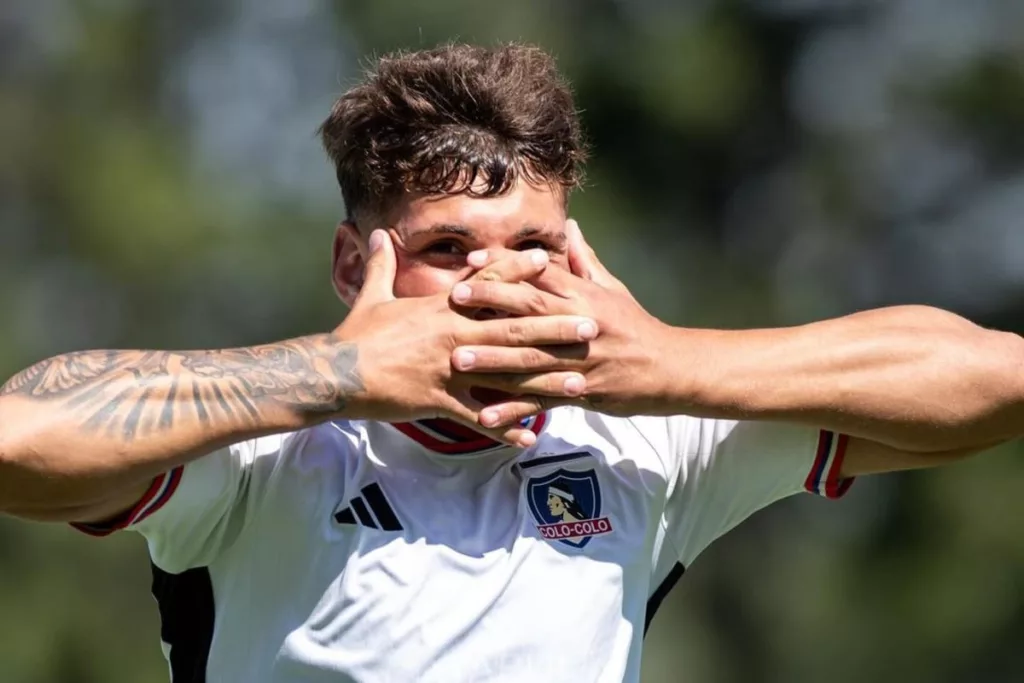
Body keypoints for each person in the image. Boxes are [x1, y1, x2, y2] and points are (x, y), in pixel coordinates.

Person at [0, 42, 1020, 683]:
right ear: (358, 262)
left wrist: (670, 361)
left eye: (531, 245)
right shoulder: (265, 451)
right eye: (448, 248)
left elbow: (990, 378)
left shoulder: (652, 437)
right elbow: (18, 438)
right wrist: (336, 373)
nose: (497, 282)